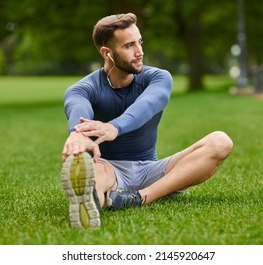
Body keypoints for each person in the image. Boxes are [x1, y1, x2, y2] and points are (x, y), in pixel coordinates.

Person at [61, 13, 233, 229]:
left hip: (151, 169)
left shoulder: (158, 78)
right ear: (107, 53)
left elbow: (148, 105)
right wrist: (77, 133)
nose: (139, 51)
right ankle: (90, 203)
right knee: (91, 173)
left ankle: (140, 197)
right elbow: (78, 107)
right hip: (109, 169)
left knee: (221, 141)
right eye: (129, 45)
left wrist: (115, 126)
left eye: (139, 42)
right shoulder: (83, 88)